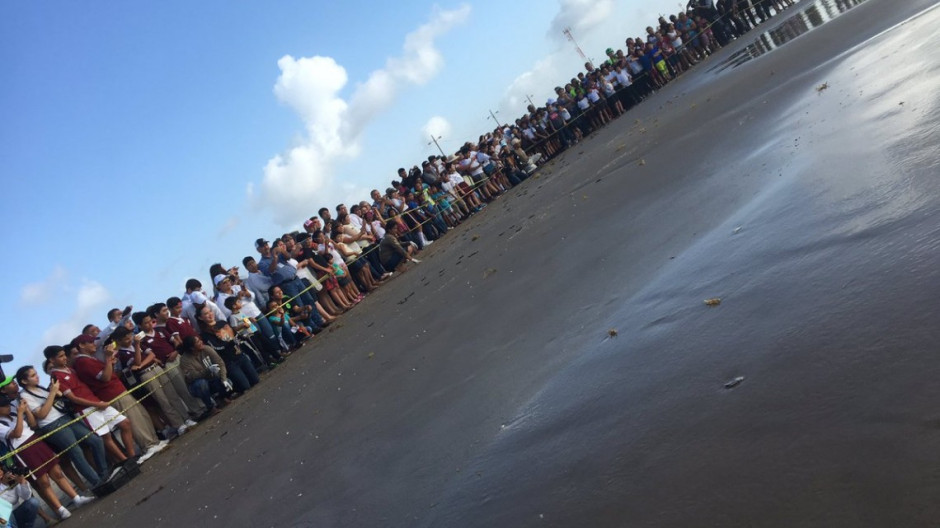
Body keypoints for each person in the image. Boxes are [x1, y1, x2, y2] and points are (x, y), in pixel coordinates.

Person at [70, 334, 168, 462]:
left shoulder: (88, 359)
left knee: (140, 415)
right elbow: (105, 377)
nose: (94, 344)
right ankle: (148, 445)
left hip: (117, 390)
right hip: (113, 394)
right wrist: (108, 358)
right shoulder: (83, 361)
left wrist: (109, 362)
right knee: (135, 420)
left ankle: (153, 441)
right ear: (82, 345)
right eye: (90, 342)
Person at [0, 393, 94, 521]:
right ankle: (60, 509)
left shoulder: (14, 413)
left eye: (7, 404)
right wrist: (21, 413)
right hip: (22, 450)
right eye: (3, 406)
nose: (7, 407)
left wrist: (26, 410)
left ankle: (76, 498)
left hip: (35, 441)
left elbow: (33, 424)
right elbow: (17, 433)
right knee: (43, 481)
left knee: (57, 472)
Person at [16, 366, 108, 487]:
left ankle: (104, 473)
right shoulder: (24, 396)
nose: (37, 377)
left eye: (36, 373)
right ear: (24, 381)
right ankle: (96, 482)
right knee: (76, 451)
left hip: (64, 418)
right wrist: (53, 393)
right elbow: (42, 414)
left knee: (95, 440)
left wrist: (55, 392)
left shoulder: (40, 388)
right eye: (33, 375)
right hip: (52, 425)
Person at [44, 345, 134, 464]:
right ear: (52, 360)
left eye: (64, 355)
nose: (65, 358)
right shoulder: (56, 377)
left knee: (125, 423)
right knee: (105, 436)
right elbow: (73, 398)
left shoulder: (70, 369)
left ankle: (132, 456)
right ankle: (126, 461)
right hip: (84, 409)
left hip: (96, 401)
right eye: (60, 356)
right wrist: (96, 404)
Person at [196, 306, 259, 395]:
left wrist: (242, 337)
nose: (210, 314)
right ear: (200, 318)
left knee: (256, 380)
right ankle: (232, 389)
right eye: (206, 314)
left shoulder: (222, 323)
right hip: (229, 362)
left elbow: (235, 334)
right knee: (245, 387)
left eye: (210, 311)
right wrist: (231, 342)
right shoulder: (205, 334)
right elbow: (216, 347)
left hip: (240, 355)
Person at [177, 336, 227, 415]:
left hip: (212, 378)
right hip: (196, 385)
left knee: (224, 378)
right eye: (198, 342)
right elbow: (192, 376)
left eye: (200, 340)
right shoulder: (184, 359)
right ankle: (210, 407)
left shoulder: (206, 348)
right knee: (201, 384)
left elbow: (220, 362)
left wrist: (224, 379)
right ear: (192, 348)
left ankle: (222, 397)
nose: (201, 342)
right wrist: (208, 370)